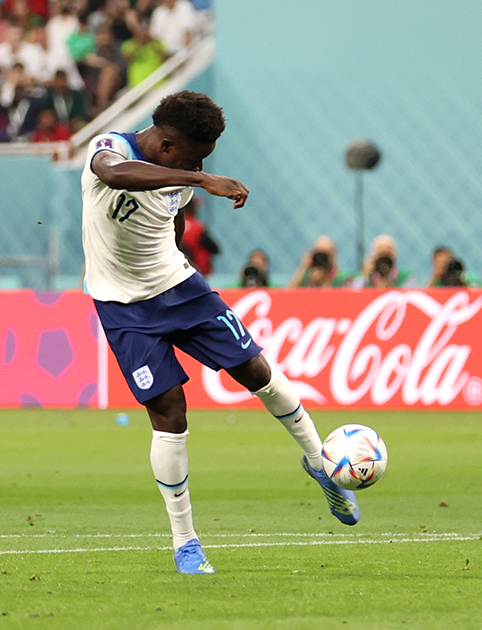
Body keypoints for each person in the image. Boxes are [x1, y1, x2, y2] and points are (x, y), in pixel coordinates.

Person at [81, 91, 362, 576]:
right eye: (196, 156)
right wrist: (200, 177)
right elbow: (112, 173)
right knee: (169, 413)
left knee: (256, 369)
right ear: (167, 146)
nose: (202, 164)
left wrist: (183, 237)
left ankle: (320, 461)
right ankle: (186, 543)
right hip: (123, 306)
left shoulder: (180, 174)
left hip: (179, 287)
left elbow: (172, 214)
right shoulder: (113, 148)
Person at [288, 235, 354, 288]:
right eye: (318, 254)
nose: (321, 259)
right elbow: (288, 296)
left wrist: (325, 282)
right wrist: (303, 267)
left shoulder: (343, 278)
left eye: (325, 255)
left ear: (334, 255)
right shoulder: (306, 277)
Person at [178, 197, 217, 275]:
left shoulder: (173, 224)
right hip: (196, 270)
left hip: (176, 269)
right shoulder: (197, 226)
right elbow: (214, 249)